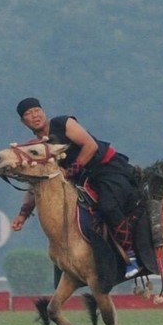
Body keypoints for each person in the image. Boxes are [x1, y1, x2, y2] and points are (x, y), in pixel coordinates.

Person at [10, 97, 141, 279]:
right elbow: (36, 183)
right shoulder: (38, 148)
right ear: (23, 122)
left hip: (106, 169)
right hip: (81, 180)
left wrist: (69, 171)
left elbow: (90, 146)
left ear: (43, 111)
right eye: (28, 114)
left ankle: (131, 255)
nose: (34, 115)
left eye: (36, 110)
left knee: (108, 207)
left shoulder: (63, 123)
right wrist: (23, 214)